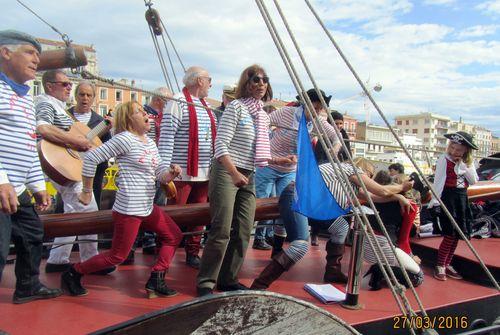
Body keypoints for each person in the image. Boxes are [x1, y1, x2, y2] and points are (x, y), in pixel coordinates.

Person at [60, 101, 183, 298]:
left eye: (145, 111)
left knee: (173, 235)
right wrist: (86, 190)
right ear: (128, 119)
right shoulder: (124, 139)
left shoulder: (150, 143)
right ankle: (73, 272)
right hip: (128, 209)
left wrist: (171, 172)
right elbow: (91, 158)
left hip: (146, 206)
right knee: (117, 256)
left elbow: (160, 174)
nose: (146, 113)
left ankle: (157, 277)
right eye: (139, 112)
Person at [251, 157, 414, 290]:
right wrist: (401, 187)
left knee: (341, 227)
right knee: (300, 245)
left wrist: (397, 197)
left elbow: (374, 197)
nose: (369, 179)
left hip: (312, 203)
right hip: (298, 196)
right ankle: (259, 285)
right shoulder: (351, 170)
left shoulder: (347, 181)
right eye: (369, 175)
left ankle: (332, 272)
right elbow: (381, 190)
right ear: (364, 169)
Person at [197, 64, 285, 296]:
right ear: (246, 84)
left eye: (264, 79)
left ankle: (228, 278)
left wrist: (282, 159)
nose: (261, 84)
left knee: (245, 228)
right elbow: (220, 145)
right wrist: (234, 173)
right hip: (227, 171)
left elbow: (258, 152)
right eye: (255, 79)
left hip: (249, 173)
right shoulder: (236, 107)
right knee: (222, 229)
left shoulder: (263, 116)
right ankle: (206, 280)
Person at [0, 29, 61, 303]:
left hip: (19, 187)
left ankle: (28, 286)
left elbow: (27, 146)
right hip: (2, 186)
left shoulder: (25, 97)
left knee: (32, 235)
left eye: (38, 54)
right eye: (30, 52)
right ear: (5, 52)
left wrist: (38, 185)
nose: (37, 59)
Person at [254, 89, 339, 251]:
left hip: (290, 168)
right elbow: (263, 122)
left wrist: (333, 150)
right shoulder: (287, 113)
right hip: (269, 164)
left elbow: (336, 137)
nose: (319, 110)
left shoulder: (318, 122)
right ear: (306, 103)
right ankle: (258, 237)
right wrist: (265, 143)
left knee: (286, 206)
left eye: (322, 107)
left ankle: (277, 249)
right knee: (261, 202)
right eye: (317, 105)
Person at [35, 70, 100, 273]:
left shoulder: (61, 108)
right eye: (65, 84)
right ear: (49, 86)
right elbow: (43, 128)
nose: (69, 88)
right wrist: (76, 141)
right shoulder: (46, 103)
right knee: (89, 211)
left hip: (66, 165)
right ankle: (91, 260)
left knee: (73, 211)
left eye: (69, 84)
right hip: (62, 166)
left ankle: (57, 259)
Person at [159, 66, 217, 269]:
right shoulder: (177, 102)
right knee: (173, 218)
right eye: (209, 79)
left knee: (199, 217)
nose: (211, 84)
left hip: (204, 173)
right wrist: (165, 171)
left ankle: (192, 252)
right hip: (181, 174)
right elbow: (166, 139)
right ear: (199, 81)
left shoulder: (206, 106)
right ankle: (165, 253)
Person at [428, 131, 478, 281]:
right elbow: (439, 181)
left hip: (461, 198)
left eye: (459, 150)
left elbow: (473, 180)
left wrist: (461, 164)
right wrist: (435, 201)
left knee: (457, 235)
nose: (454, 152)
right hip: (448, 197)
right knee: (450, 233)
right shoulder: (444, 159)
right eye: (453, 148)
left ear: (465, 151)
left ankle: (447, 263)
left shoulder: (467, 162)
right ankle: (440, 265)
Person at [68, 81, 112, 208]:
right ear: (76, 96)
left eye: (89, 95)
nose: (85, 98)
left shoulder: (101, 122)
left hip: (94, 173)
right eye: (82, 94)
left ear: (93, 98)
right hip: (69, 169)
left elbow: (107, 148)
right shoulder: (64, 116)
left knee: (92, 205)